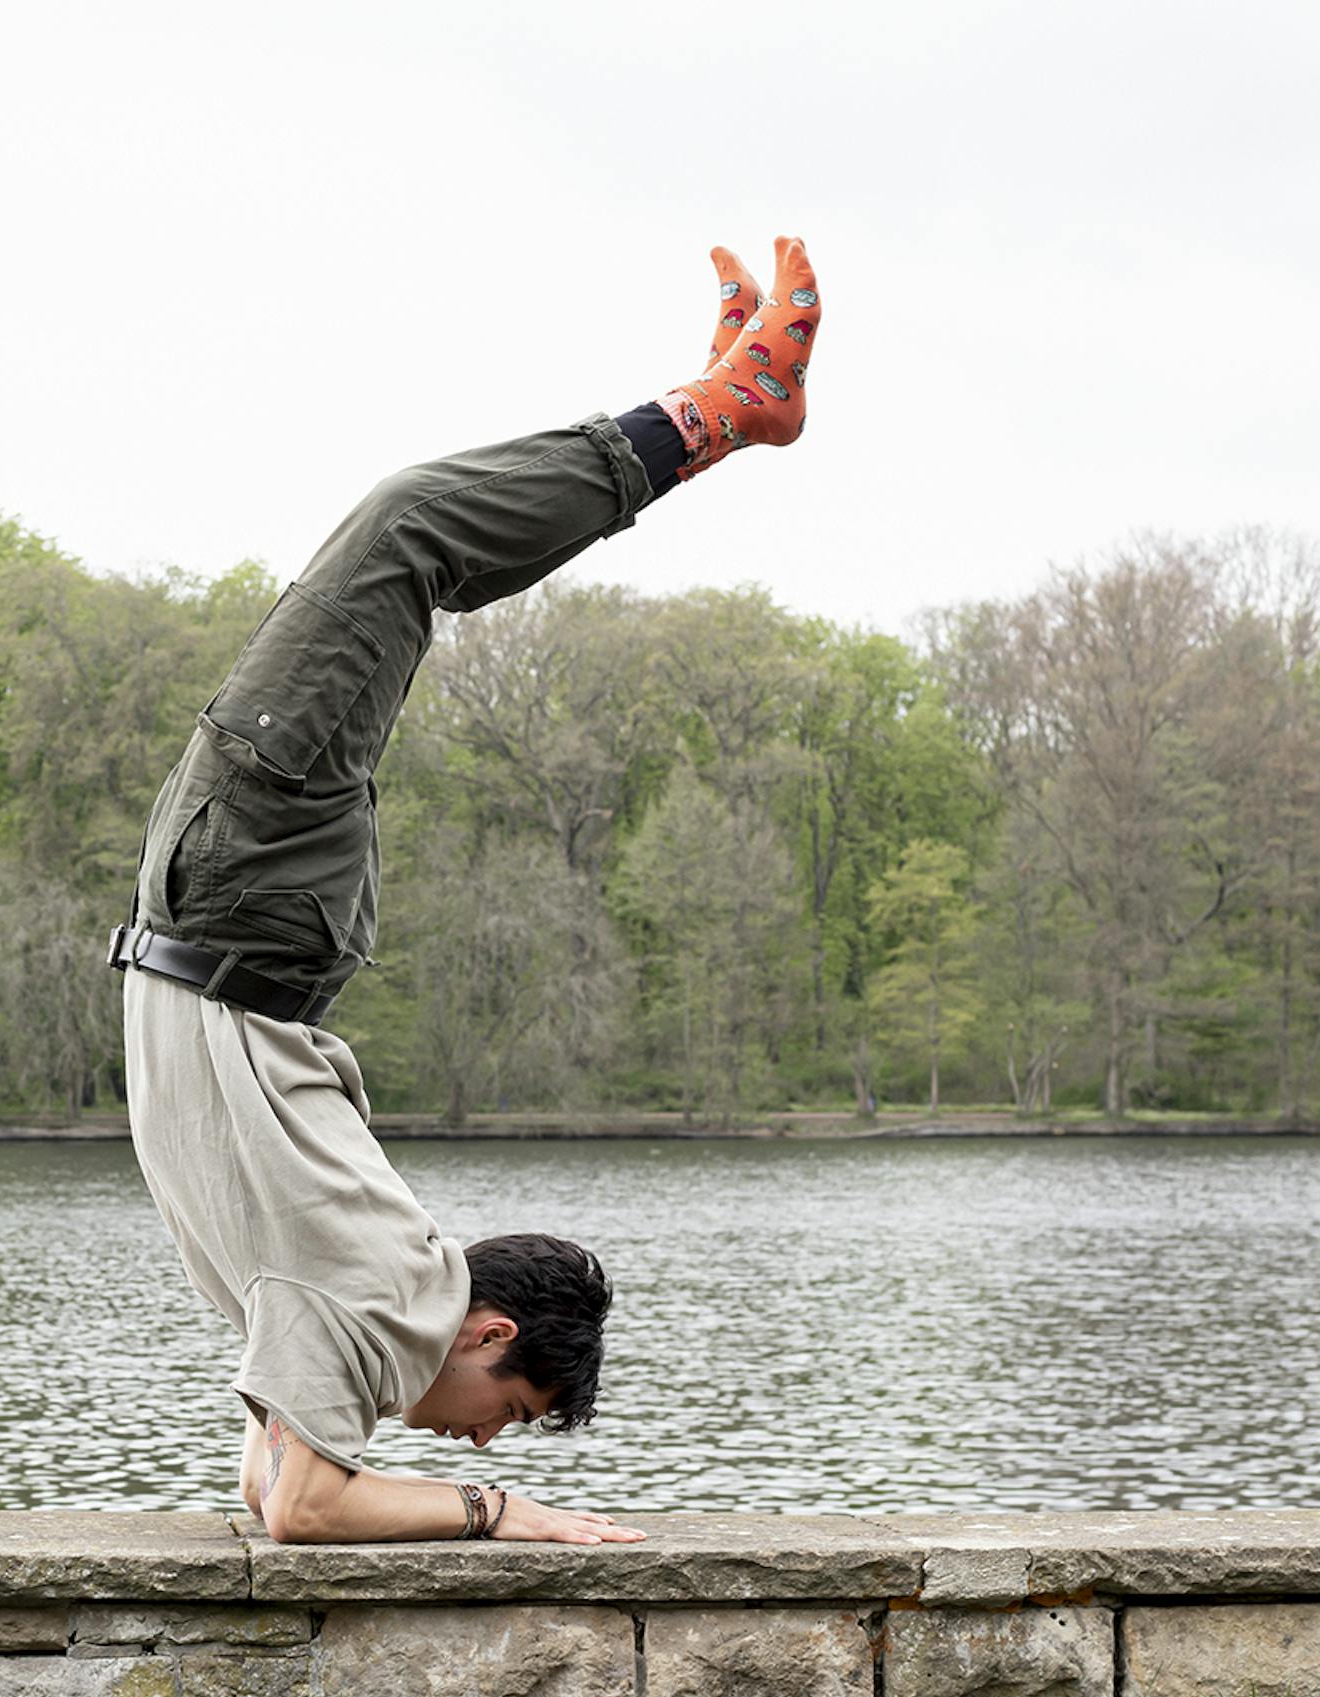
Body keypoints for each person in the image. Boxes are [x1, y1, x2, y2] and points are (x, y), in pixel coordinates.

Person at [114, 237, 824, 1547]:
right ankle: (723, 411)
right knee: (406, 536)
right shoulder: (388, 1292)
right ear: (486, 1331)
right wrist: (506, 1512)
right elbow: (314, 1512)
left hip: (223, 913)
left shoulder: (355, 1318)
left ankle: (721, 416)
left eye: (495, 1442)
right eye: (504, 1411)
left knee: (399, 547)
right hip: (243, 905)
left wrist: (322, 1446)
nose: (474, 1437)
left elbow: (278, 1499)